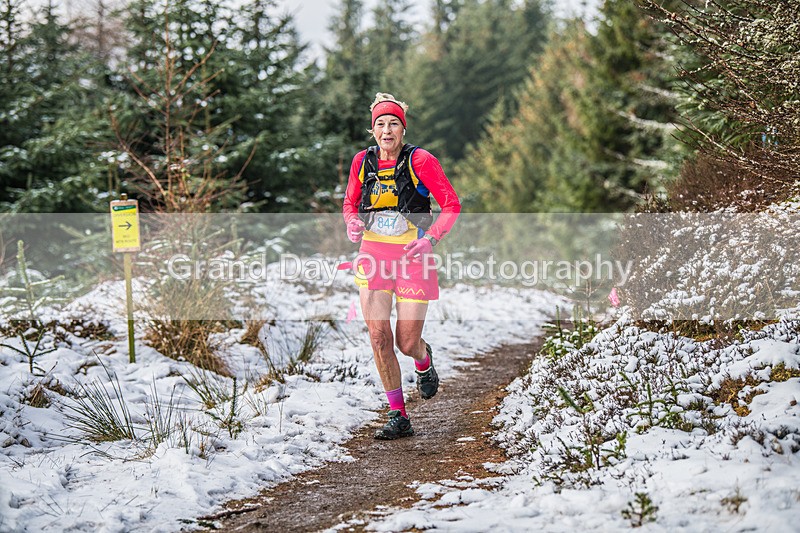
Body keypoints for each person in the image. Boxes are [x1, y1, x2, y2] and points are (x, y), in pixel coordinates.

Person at [342, 93, 461, 440]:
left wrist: (431, 238)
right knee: (379, 338)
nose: (386, 129)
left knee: (407, 343)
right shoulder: (362, 162)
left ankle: (424, 359)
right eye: (380, 123)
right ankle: (398, 416)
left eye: (393, 122)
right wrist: (351, 222)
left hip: (413, 258)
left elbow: (451, 204)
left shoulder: (420, 160)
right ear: (373, 130)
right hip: (373, 255)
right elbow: (350, 203)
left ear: (402, 128)